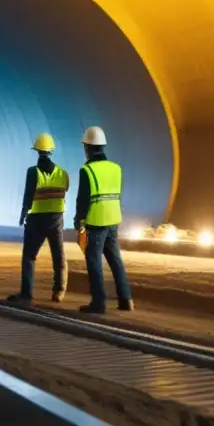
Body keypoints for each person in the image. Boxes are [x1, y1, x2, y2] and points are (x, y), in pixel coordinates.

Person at [74, 126, 133, 314]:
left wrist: (79, 221)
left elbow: (82, 199)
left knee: (94, 260)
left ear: (88, 148)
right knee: (115, 260)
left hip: (96, 221)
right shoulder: (116, 168)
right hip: (113, 220)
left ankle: (99, 302)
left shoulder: (87, 170)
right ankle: (126, 300)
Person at [7, 133, 69, 305]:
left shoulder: (32, 172)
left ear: (37, 152)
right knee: (58, 255)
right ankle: (58, 292)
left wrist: (22, 214)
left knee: (29, 256)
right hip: (56, 219)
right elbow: (65, 191)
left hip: (37, 219)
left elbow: (28, 196)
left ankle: (26, 294)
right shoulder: (62, 173)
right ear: (51, 151)